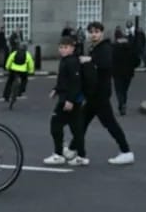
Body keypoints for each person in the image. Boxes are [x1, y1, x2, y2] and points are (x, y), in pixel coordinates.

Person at [80, 22, 134, 165]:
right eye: (91, 32)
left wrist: (89, 61)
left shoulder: (105, 48)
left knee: (110, 124)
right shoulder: (95, 48)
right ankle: (74, 149)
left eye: (96, 31)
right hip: (94, 94)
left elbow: (105, 64)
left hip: (100, 94)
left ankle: (126, 151)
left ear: (102, 33)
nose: (93, 34)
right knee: (82, 122)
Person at [43, 36, 93, 167]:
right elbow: (64, 80)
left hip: (69, 100)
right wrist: (56, 89)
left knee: (55, 125)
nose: (62, 50)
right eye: (61, 47)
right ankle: (81, 156)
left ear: (72, 48)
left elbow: (75, 82)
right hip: (71, 99)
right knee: (76, 128)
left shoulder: (71, 62)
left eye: (65, 47)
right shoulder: (66, 60)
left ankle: (59, 154)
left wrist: (69, 100)